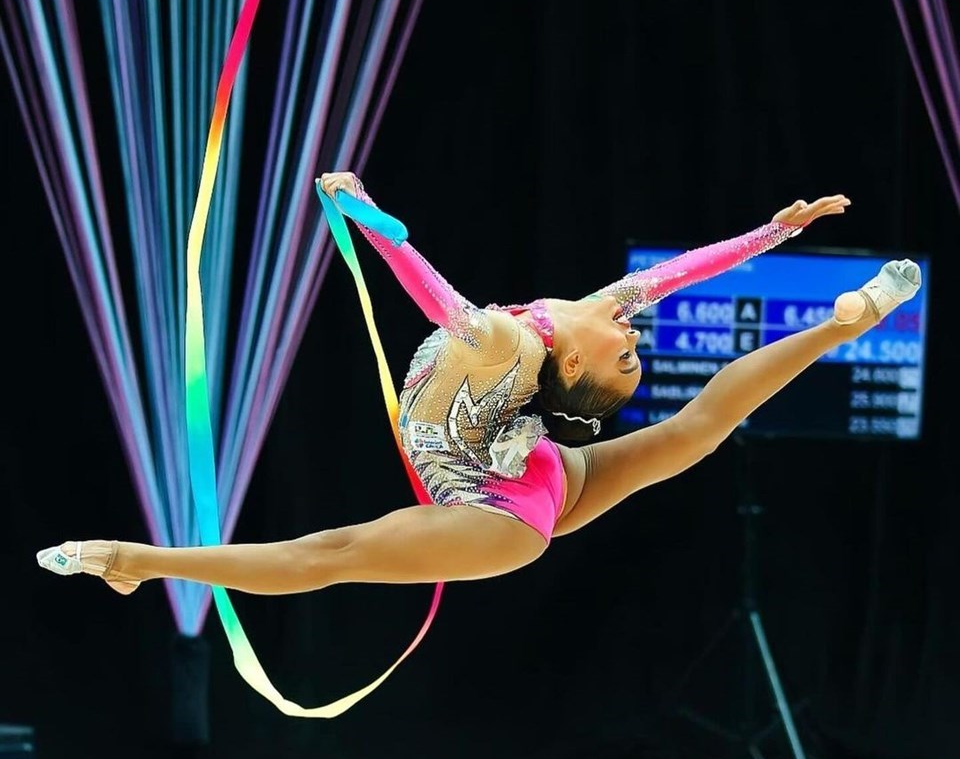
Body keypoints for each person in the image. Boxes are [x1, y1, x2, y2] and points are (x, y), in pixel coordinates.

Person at [37, 174, 920, 598]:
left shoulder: (508, 342)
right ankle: (844, 324)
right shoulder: (589, 314)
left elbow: (434, 297)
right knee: (693, 431)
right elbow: (684, 272)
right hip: (534, 474)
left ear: (571, 371)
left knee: (330, 554)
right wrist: (772, 232)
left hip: (499, 515)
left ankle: (132, 560)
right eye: (632, 349)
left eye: (624, 356)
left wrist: (368, 218)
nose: (632, 334)